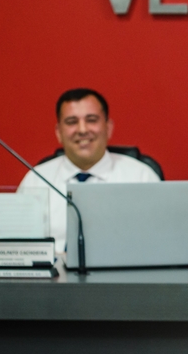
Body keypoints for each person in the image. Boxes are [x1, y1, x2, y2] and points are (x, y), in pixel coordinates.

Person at [19, 88, 160, 250]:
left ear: (108, 127)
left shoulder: (141, 177)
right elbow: (19, 249)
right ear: (58, 132)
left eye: (91, 120)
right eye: (71, 122)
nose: (82, 130)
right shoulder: (36, 180)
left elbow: (159, 243)